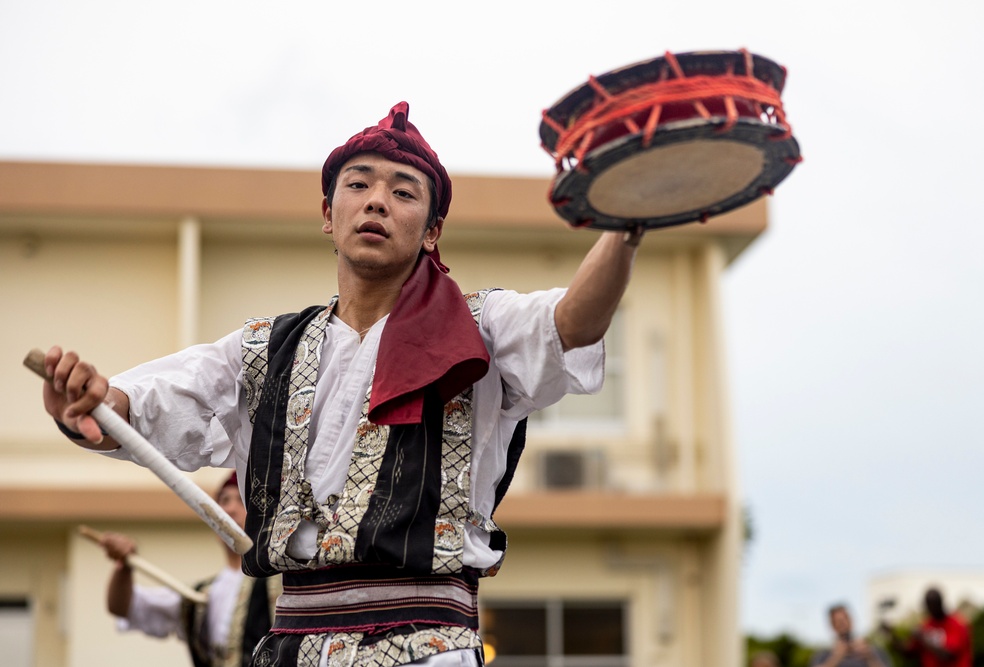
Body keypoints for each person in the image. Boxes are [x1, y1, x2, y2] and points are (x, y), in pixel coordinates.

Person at [40, 100, 641, 667]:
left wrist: (625, 223)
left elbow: (571, 324)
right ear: (329, 216)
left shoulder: (484, 328)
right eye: (358, 185)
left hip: (428, 645)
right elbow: (153, 404)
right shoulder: (264, 348)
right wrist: (91, 404)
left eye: (404, 192)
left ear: (432, 231)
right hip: (292, 643)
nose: (377, 201)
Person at [100, 471, 281, 667]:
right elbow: (123, 607)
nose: (229, 509)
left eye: (242, 500)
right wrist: (123, 566)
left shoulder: (286, 582)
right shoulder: (200, 595)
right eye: (223, 500)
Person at [881, 587, 972, 667]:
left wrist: (923, 639)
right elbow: (908, 653)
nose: (931, 609)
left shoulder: (956, 624)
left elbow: (947, 655)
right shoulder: (926, 625)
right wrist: (892, 636)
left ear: (940, 603)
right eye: (929, 605)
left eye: (934, 604)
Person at [810, 603, 891, 667]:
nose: (843, 624)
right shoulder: (823, 655)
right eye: (838, 621)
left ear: (851, 620)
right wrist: (836, 658)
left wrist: (869, 657)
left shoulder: (872, 651)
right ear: (832, 625)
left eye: (845, 619)